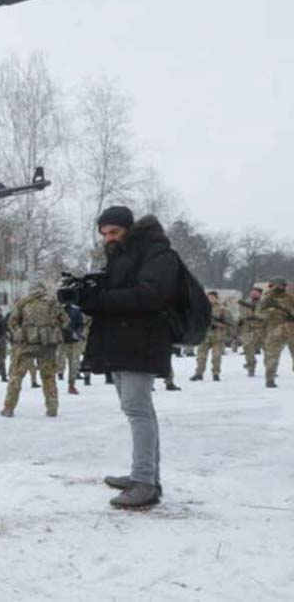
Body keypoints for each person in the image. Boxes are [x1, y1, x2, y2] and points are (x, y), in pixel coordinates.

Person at [69, 207, 180, 510]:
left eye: (114, 232)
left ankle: (145, 483)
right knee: (138, 411)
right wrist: (85, 296)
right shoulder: (122, 256)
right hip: (122, 343)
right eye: (104, 233)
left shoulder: (156, 254)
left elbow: (150, 296)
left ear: (130, 229)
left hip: (142, 343)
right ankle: (145, 476)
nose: (109, 238)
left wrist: (100, 299)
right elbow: (115, 298)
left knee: (137, 411)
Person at [1, 282, 67, 418]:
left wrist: (20, 333)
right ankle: (52, 408)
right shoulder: (53, 302)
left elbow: (12, 322)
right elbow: (66, 321)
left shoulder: (23, 302)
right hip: (47, 344)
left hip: (26, 344)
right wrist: (53, 329)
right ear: (44, 289)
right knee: (48, 377)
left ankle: (8, 408)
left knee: (16, 376)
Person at [192, 291, 233, 382]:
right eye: (208, 297)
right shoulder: (201, 308)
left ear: (216, 298)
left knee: (216, 357)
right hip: (204, 336)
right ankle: (199, 373)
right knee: (201, 356)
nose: (209, 299)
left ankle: (216, 373)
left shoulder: (223, 309)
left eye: (212, 297)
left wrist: (216, 324)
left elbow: (229, 323)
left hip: (217, 336)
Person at [260, 278, 293, 388]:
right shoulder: (266, 299)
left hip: (291, 330)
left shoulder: (290, 298)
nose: (277, 288)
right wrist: (272, 311)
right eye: (274, 286)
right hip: (274, 332)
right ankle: (270, 379)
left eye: (279, 286)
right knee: (271, 357)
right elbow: (259, 314)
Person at [59, 303, 88, 395]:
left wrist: (76, 333)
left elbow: (80, 324)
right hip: (66, 340)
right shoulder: (74, 311)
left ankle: (70, 384)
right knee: (71, 364)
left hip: (67, 341)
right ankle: (70, 384)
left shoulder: (58, 310)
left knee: (73, 364)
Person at [237, 287, 266, 377]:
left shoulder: (265, 303)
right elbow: (243, 315)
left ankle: (270, 369)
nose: (253, 294)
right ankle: (251, 368)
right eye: (252, 292)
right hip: (248, 330)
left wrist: (257, 315)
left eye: (256, 292)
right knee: (248, 350)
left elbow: (267, 315)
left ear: (260, 294)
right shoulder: (245, 303)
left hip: (262, 330)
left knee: (269, 351)